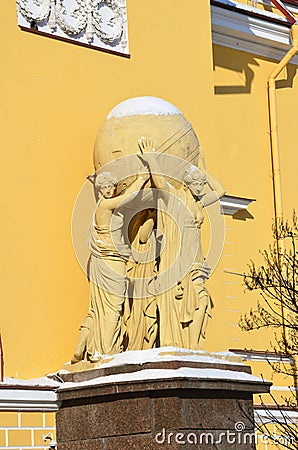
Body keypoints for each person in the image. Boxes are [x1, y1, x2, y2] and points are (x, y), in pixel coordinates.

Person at [138, 139, 225, 349]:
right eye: (195, 184)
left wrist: (203, 170)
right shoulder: (174, 196)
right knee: (184, 302)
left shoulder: (198, 203)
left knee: (201, 300)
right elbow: (160, 183)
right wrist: (151, 158)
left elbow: (221, 190)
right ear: (186, 183)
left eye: (200, 184)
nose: (199, 188)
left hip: (196, 260)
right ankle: (184, 345)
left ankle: (192, 346)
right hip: (177, 259)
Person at [72, 169, 149, 362]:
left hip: (106, 259)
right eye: (103, 187)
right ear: (100, 190)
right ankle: (106, 349)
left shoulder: (104, 205)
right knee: (114, 305)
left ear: (113, 187)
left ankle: (85, 346)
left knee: (99, 307)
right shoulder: (106, 205)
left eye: (109, 186)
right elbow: (128, 198)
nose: (106, 190)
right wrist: (140, 178)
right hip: (111, 258)